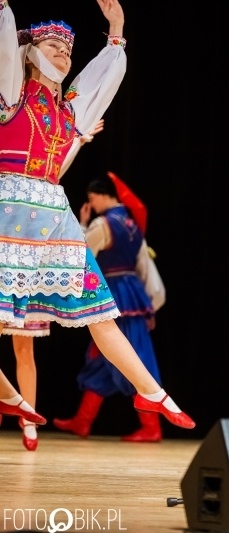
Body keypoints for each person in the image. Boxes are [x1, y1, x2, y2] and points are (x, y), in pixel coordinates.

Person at [0, 0, 194, 430]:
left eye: (68, 48)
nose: (64, 53)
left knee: (100, 313)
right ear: (28, 54)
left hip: (53, 213)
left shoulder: (68, 110)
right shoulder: (11, 94)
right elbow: (4, 45)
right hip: (9, 211)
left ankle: (152, 394)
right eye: (53, 45)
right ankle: (10, 396)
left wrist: (118, 31)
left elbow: (103, 81)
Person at [0, 118, 105, 452]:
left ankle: (28, 419)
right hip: (5, 253)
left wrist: (78, 141)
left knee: (24, 350)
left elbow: (52, 170)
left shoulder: (40, 164)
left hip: (27, 263)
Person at [53, 173, 166, 442]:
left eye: (92, 198)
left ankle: (152, 427)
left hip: (114, 292)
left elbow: (81, 251)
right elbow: (141, 263)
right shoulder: (132, 223)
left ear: (104, 195)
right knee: (105, 358)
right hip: (133, 291)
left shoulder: (104, 224)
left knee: (134, 356)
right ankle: (83, 422)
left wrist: (81, 223)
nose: (92, 203)